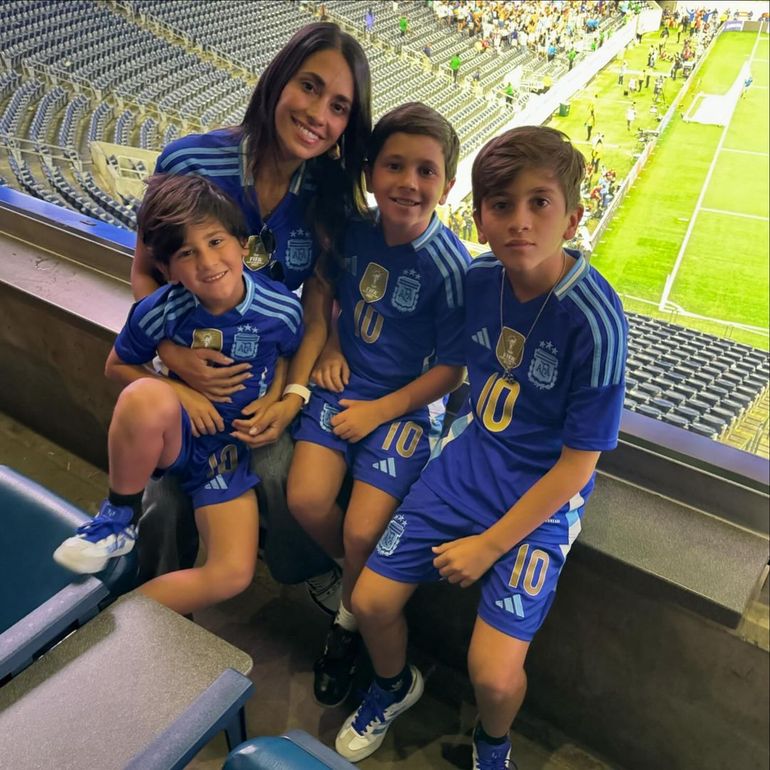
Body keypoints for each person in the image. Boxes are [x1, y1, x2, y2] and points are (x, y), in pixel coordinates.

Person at [333, 126, 627, 769]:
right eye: (502, 206)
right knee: (370, 601)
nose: (520, 221)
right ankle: (393, 686)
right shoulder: (477, 278)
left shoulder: (596, 319)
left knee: (492, 675)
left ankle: (493, 747)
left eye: (540, 203)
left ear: (573, 216)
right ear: (481, 217)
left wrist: (492, 544)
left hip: (542, 497)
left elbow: (579, 466)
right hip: (464, 465)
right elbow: (452, 366)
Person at [128, 23, 372, 614]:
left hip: (271, 375)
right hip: (189, 378)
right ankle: (141, 611)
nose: (318, 113)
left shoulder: (330, 194)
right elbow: (143, 272)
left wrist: (292, 396)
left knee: (285, 469)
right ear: (277, 80)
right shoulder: (191, 159)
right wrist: (173, 360)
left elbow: (317, 307)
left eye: (338, 106)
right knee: (165, 502)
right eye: (309, 87)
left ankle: (301, 574)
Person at [287, 103, 470, 707]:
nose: (409, 184)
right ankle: (354, 586)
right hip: (342, 385)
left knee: (366, 529)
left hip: (404, 410)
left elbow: (452, 369)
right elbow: (324, 288)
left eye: (426, 171)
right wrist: (333, 340)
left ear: (447, 180)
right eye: (394, 165)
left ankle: (345, 624)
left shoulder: (450, 267)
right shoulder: (353, 229)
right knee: (306, 499)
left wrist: (381, 411)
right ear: (369, 171)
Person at [54, 175, 303, 617]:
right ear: (168, 270)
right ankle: (117, 518)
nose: (207, 262)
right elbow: (118, 366)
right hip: (180, 437)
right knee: (145, 397)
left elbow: (289, 352)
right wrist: (180, 393)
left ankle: (114, 624)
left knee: (231, 573)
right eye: (187, 253)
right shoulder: (160, 310)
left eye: (215, 242)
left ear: (242, 246)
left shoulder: (281, 308)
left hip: (226, 457)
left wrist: (280, 392)